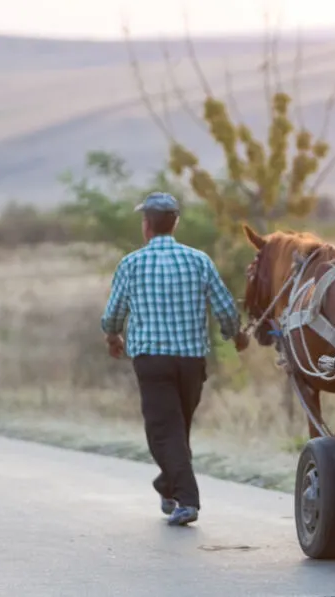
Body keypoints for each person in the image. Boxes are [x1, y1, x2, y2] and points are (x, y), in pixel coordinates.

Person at [101, 192, 249, 526]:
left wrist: (113, 336)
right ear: (175, 223)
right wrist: (236, 335)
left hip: (152, 361)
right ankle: (167, 485)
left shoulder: (132, 264)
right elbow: (226, 308)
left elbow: (113, 314)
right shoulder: (199, 261)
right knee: (176, 430)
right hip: (190, 362)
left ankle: (186, 500)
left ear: (146, 226)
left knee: (164, 433)